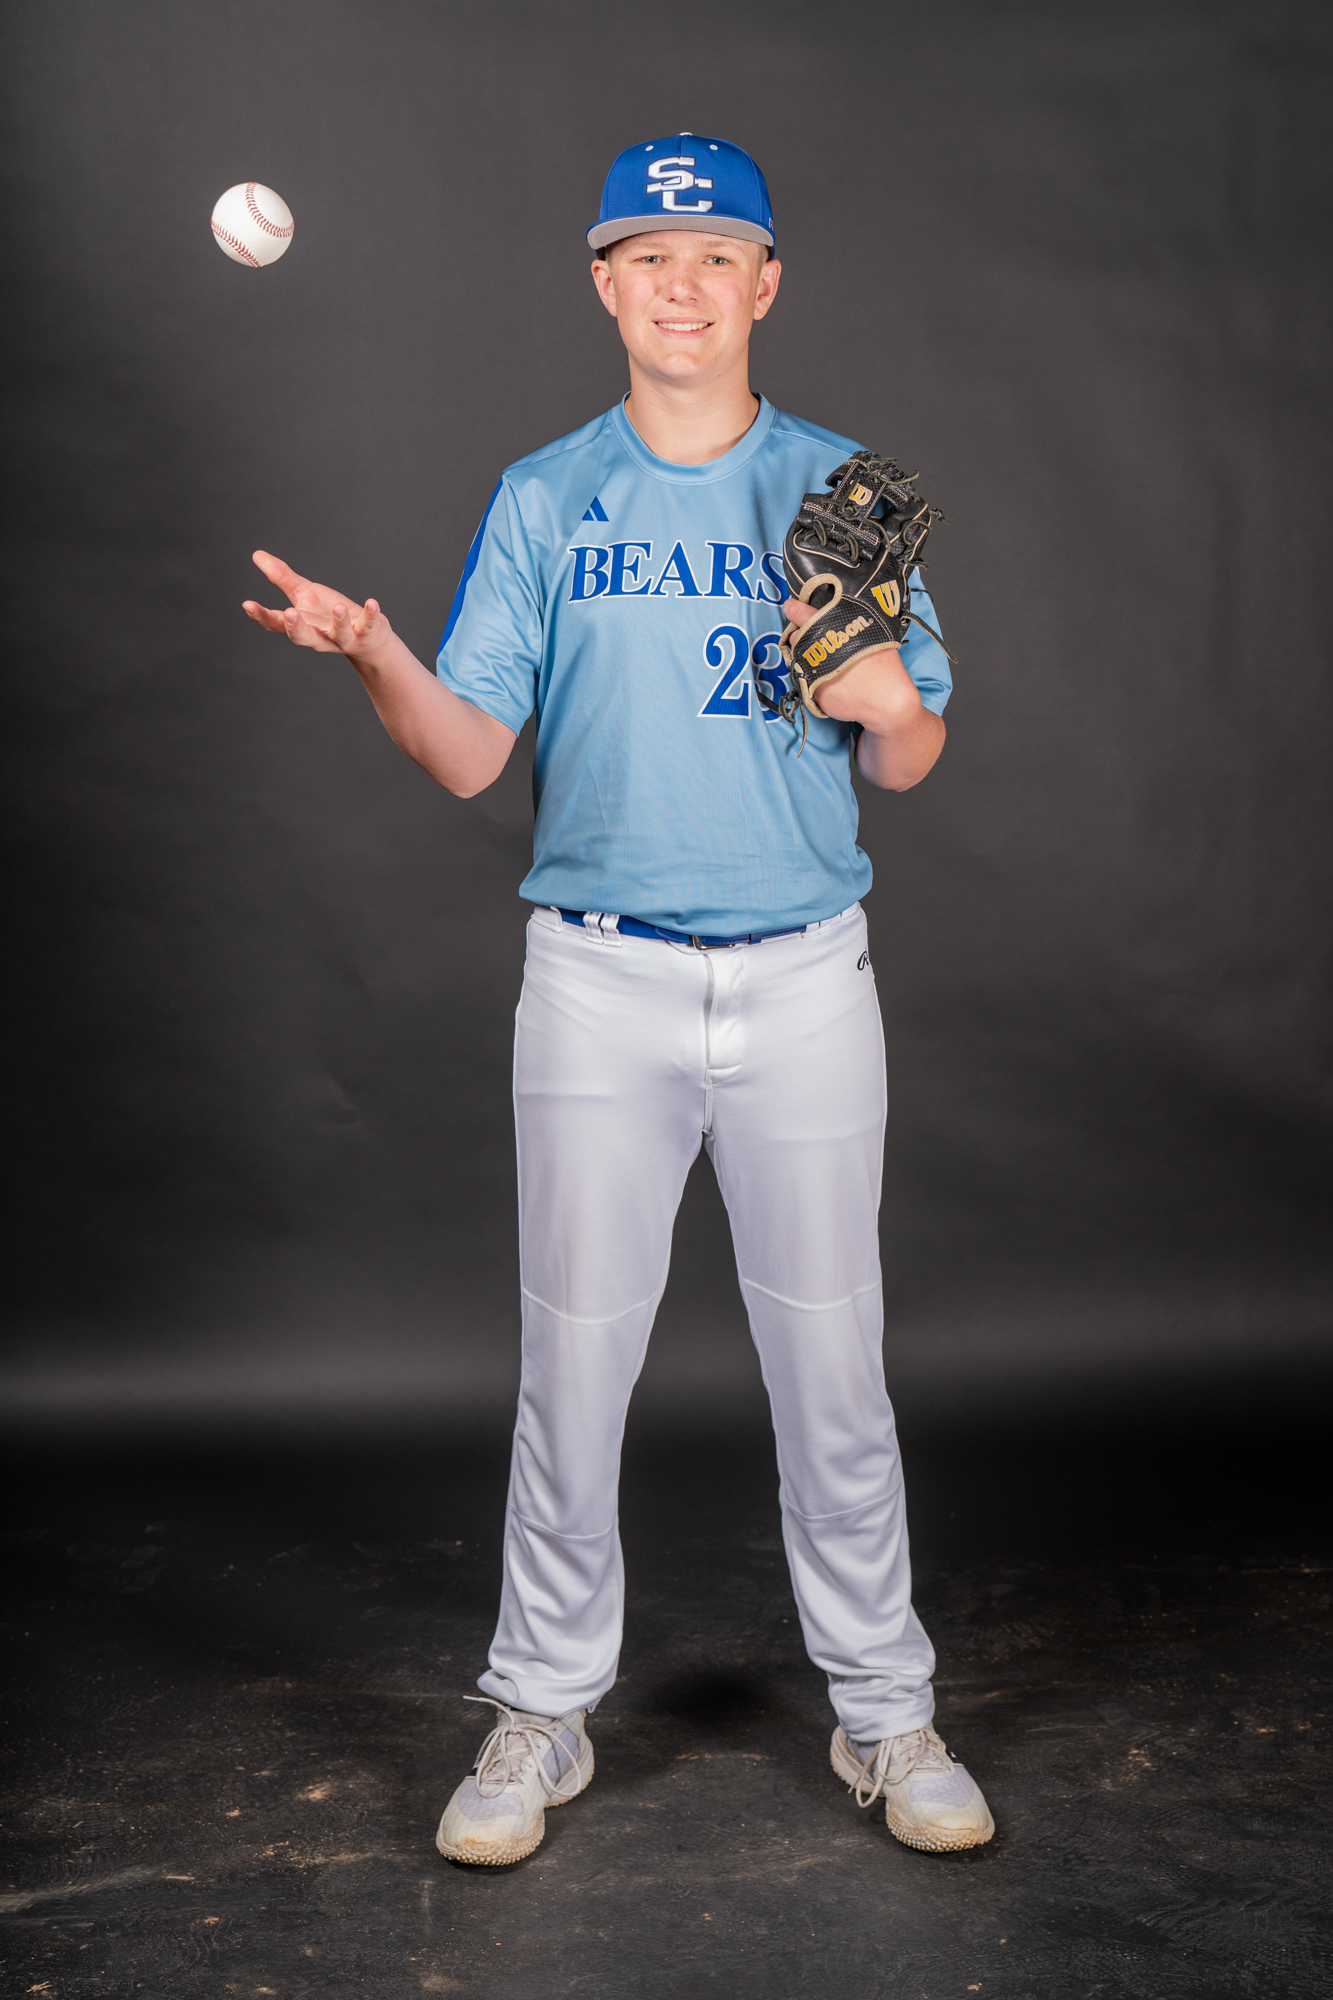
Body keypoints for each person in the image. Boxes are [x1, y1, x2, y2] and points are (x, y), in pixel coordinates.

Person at [243, 133, 994, 1865]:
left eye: (716, 252)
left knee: (834, 1368)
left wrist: (885, 697)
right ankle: (538, 1709)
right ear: (603, 282)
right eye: (649, 253)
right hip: (596, 980)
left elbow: (910, 757)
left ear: (765, 283)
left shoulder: (835, 489)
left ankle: (886, 1710)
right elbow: (467, 757)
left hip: (803, 977)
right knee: (571, 1368)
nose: (682, 282)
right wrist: (374, 654)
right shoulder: (545, 495)